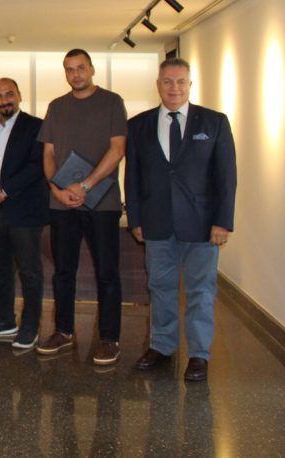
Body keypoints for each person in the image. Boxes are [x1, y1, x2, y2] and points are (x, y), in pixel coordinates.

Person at [126, 58, 237, 382]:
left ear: (190, 85)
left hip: (202, 225)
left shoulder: (214, 122)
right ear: (158, 85)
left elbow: (226, 177)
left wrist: (222, 222)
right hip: (156, 223)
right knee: (160, 287)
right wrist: (135, 219)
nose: (174, 88)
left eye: (180, 82)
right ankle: (162, 346)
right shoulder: (139, 125)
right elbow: (132, 177)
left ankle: (199, 354)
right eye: (167, 81)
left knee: (200, 290)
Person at [36, 49, 128, 366]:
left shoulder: (112, 102)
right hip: (62, 204)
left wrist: (85, 185)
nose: (75, 74)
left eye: (80, 68)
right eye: (69, 69)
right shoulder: (56, 107)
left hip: (102, 203)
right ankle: (63, 331)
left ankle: (109, 339)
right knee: (63, 272)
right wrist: (57, 190)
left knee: (107, 272)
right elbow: (48, 154)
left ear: (91, 69)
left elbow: (118, 150)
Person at [0, 78, 48, 349]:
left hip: (24, 211)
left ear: (19, 96)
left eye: (9, 94)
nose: (5, 100)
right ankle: (5, 320)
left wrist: (5, 190)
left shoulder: (36, 126)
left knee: (29, 271)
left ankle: (30, 326)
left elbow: (37, 165)